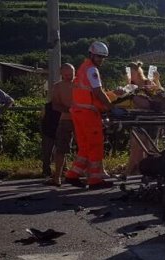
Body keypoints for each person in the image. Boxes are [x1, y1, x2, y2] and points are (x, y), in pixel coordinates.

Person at [64, 41, 115, 189]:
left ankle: (72, 175)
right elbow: (98, 92)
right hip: (88, 113)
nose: (100, 59)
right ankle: (95, 180)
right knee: (95, 145)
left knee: (85, 147)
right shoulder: (92, 70)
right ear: (91, 54)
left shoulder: (83, 68)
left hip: (79, 112)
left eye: (102, 57)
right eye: (98, 56)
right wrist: (110, 107)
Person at [47, 63, 75, 186]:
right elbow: (55, 105)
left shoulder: (81, 83)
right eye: (66, 74)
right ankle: (57, 177)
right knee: (61, 148)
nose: (69, 76)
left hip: (82, 119)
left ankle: (84, 174)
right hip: (66, 119)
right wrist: (69, 110)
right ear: (62, 74)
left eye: (71, 74)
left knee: (85, 147)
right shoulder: (57, 87)